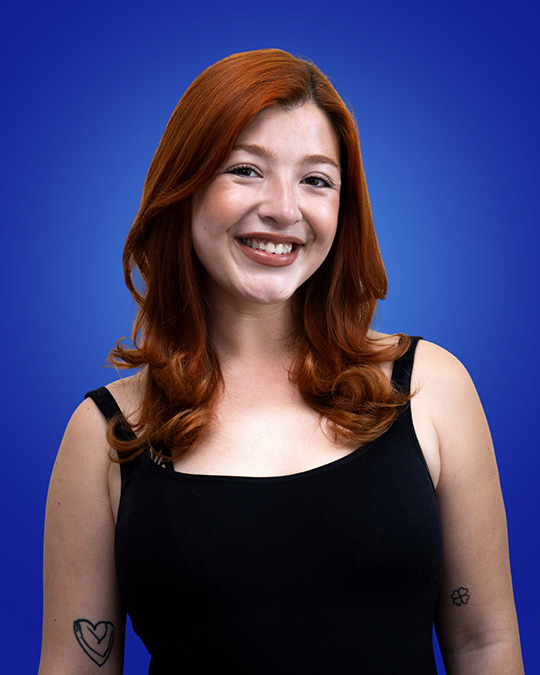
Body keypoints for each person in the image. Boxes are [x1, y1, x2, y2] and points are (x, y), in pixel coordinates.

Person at [39, 49, 523, 674]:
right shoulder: (107, 432)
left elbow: (484, 641)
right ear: (182, 188)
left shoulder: (430, 387)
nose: (284, 209)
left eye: (316, 180)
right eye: (245, 170)